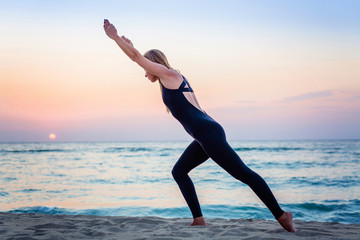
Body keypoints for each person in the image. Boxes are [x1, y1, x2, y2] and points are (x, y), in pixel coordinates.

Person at [103, 19, 295, 233]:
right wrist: (126, 43)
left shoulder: (170, 76)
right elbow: (137, 56)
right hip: (204, 134)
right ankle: (198, 219)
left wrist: (115, 38)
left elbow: (137, 58)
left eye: (147, 68)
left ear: (155, 64)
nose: (144, 72)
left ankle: (281, 215)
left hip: (208, 133)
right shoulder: (172, 79)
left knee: (242, 174)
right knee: (179, 171)